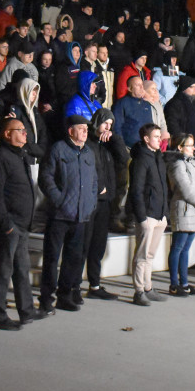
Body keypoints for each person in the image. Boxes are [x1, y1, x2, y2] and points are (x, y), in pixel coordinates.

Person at [0, 118, 46, 330]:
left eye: (25, 130)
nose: (24, 133)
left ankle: (26, 310)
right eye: (19, 130)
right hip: (8, 225)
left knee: (22, 268)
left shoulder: (20, 155)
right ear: (6, 134)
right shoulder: (0, 157)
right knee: (2, 271)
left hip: (22, 223)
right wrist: (6, 224)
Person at [38, 115, 98, 314]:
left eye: (86, 129)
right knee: (52, 258)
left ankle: (65, 295)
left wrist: (90, 202)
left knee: (73, 258)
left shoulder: (89, 152)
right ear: (70, 130)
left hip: (81, 215)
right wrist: (59, 200)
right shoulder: (58, 149)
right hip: (60, 215)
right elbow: (46, 177)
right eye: (81, 128)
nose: (85, 132)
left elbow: (93, 182)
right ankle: (46, 298)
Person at [81, 108, 127, 300]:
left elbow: (124, 159)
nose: (107, 128)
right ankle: (74, 285)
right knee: (84, 244)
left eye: (110, 125)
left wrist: (114, 138)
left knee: (99, 244)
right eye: (104, 124)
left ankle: (95, 284)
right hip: (91, 201)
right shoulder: (88, 144)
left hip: (106, 202)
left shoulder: (109, 145)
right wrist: (99, 187)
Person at [128, 123, 170, 306]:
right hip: (148, 215)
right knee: (142, 255)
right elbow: (136, 190)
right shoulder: (141, 159)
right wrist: (142, 217)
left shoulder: (158, 157)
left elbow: (163, 186)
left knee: (150, 255)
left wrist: (165, 213)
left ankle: (148, 287)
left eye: (159, 136)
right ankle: (138, 291)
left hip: (160, 214)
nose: (159, 140)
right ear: (146, 139)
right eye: (155, 137)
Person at [166, 133, 195, 297]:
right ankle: (174, 284)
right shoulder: (177, 165)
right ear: (180, 147)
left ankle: (184, 283)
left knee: (185, 249)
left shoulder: (193, 163)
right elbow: (186, 190)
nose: (193, 148)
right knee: (177, 248)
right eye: (190, 145)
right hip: (183, 209)